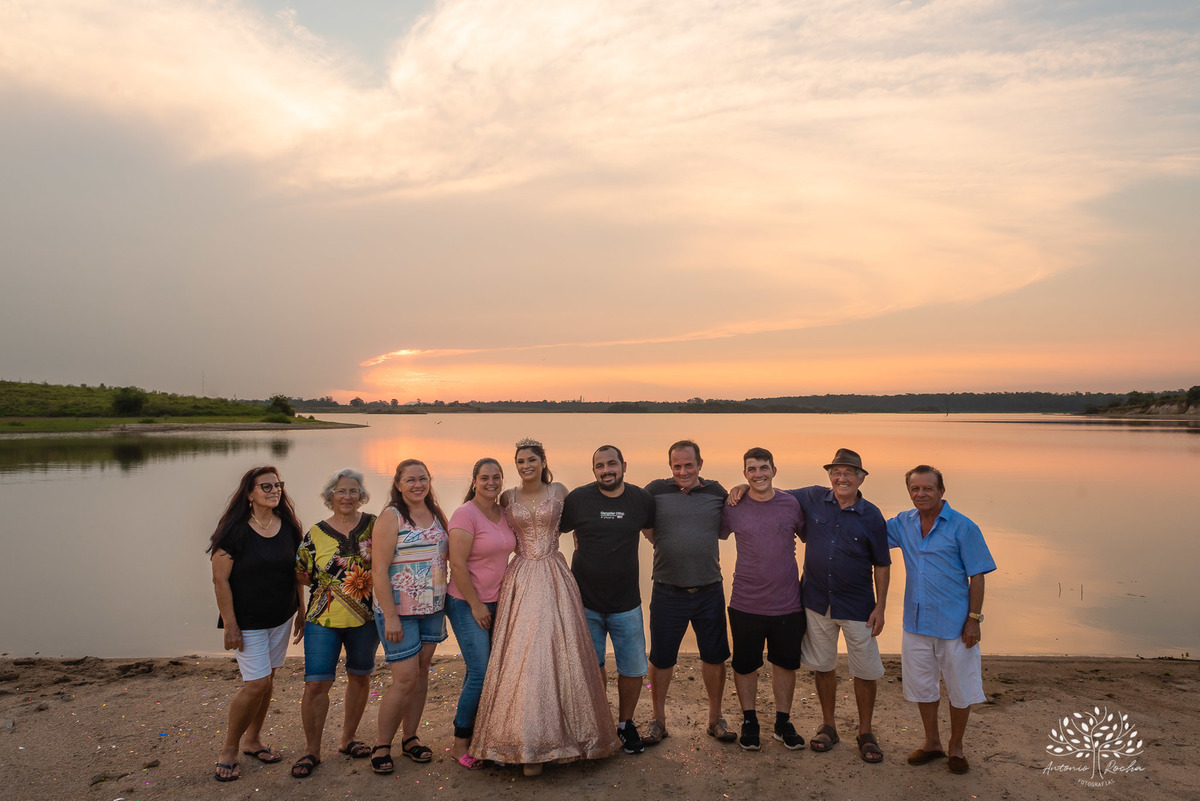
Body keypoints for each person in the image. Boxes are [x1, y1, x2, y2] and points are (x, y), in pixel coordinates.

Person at [729, 446, 890, 763]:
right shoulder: (812, 497)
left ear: (861, 478)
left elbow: (882, 564)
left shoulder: (871, 515)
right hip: (816, 602)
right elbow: (769, 491)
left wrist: (881, 606)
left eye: (848, 473)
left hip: (858, 605)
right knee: (823, 666)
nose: (842, 478)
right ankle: (828, 726)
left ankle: (866, 731)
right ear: (829, 476)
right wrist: (743, 488)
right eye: (836, 472)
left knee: (866, 670)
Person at [470, 439, 620, 777]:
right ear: (516, 464)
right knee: (521, 651)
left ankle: (569, 738)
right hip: (521, 576)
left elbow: (584, 519)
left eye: (532, 459)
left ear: (542, 461)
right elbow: (485, 523)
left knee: (559, 650)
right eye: (521, 460)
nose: (526, 465)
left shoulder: (561, 491)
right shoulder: (507, 497)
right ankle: (523, 743)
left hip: (555, 574)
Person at [888, 465, 996, 775]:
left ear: (941, 491)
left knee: (960, 688)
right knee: (923, 687)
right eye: (914, 489)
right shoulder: (902, 524)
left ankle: (956, 747)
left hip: (955, 625)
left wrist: (974, 620)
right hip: (916, 622)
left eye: (927, 488)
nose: (920, 494)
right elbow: (865, 531)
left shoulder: (963, 527)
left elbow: (977, 576)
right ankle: (932, 742)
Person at [207, 466, 303, 783]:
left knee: (269, 678)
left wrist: (301, 610)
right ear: (249, 493)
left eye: (277, 485)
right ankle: (229, 749)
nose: (274, 490)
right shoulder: (233, 531)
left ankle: (253, 740)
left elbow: (297, 573)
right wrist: (230, 625)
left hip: (281, 617)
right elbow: (220, 581)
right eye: (266, 486)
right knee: (257, 684)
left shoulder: (288, 526)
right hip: (247, 621)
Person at [560, 445, 656, 754]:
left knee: (632, 667)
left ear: (624, 465)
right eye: (599, 465)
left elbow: (654, 534)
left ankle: (626, 724)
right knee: (592, 666)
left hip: (626, 602)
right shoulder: (577, 499)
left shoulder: (641, 499)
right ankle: (598, 722)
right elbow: (549, 529)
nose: (606, 470)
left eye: (611, 463)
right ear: (593, 471)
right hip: (584, 601)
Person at [643, 440, 736, 745]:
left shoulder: (716, 491)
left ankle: (715, 719)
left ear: (700, 463)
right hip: (667, 589)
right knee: (661, 657)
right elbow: (638, 518)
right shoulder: (655, 490)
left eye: (688, 465)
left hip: (709, 587)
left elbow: (734, 514)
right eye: (677, 466)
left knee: (715, 655)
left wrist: (744, 488)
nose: (683, 471)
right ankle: (658, 720)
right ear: (670, 466)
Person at [290, 469, 379, 779]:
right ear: (330, 496)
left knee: (360, 677)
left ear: (361, 496)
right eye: (341, 491)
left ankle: (348, 739)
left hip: (366, 618)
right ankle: (311, 750)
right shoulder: (315, 533)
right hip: (322, 619)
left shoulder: (374, 526)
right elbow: (300, 572)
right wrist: (308, 605)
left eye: (353, 491)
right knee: (316, 683)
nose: (347, 497)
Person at [719, 448, 806, 752]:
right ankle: (750, 720)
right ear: (744, 473)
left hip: (787, 602)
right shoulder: (734, 505)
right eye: (752, 469)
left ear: (774, 470)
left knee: (784, 664)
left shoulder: (791, 503)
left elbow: (811, 536)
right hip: (745, 601)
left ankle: (783, 722)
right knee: (745, 665)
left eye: (764, 468)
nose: (758, 474)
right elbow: (712, 532)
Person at [369, 459, 449, 775]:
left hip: (433, 608)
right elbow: (378, 570)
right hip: (399, 612)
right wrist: (389, 615)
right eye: (410, 480)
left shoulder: (436, 513)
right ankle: (381, 745)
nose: (418, 484)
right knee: (404, 679)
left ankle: (411, 738)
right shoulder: (391, 517)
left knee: (421, 674)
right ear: (399, 484)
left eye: (423, 478)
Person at [444, 458, 517, 769]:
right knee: (481, 672)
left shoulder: (502, 512)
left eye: (496, 477)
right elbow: (457, 565)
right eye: (485, 477)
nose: (491, 482)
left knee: (480, 670)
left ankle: (480, 735)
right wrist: (475, 605)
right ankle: (461, 741)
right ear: (474, 481)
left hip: (498, 602)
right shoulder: (465, 514)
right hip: (465, 602)